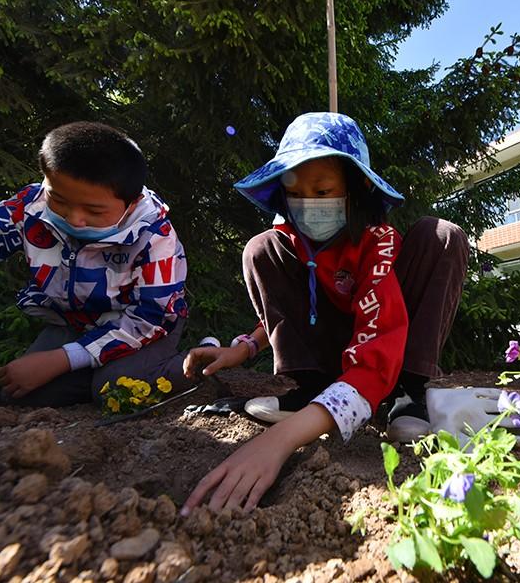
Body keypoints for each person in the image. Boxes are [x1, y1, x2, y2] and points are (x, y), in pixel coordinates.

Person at [180, 112, 468, 513]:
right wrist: (243, 349)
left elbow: (379, 334)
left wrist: (281, 440)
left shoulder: (377, 241)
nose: (307, 205)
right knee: (258, 247)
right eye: (295, 193)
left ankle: (408, 392)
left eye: (323, 191)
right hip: (333, 353)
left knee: (442, 234)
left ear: (358, 188)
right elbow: (286, 313)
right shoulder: (289, 242)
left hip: (384, 349)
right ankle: (311, 389)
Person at [0, 122, 189, 406]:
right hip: (77, 322)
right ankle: (99, 372)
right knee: (22, 394)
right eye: (58, 200)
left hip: (147, 325)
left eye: (93, 210)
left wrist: (62, 359)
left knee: (118, 388)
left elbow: (152, 317)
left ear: (132, 202)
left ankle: (201, 358)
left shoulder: (154, 235)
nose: (73, 219)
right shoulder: (28, 209)